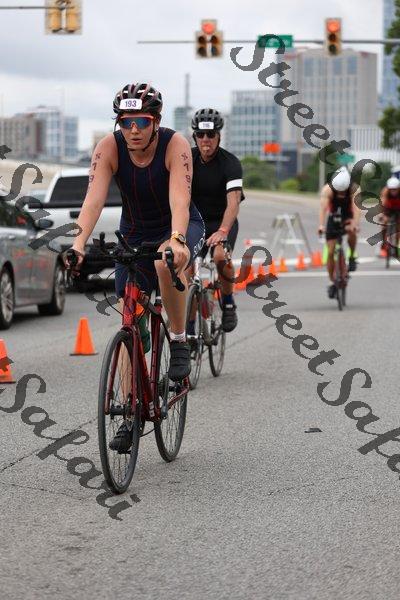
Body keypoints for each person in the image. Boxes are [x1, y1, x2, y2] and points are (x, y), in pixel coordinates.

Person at [65, 82, 205, 382]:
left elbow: (180, 199)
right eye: (126, 122)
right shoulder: (108, 147)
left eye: (142, 121)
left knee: (165, 262)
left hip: (178, 225)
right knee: (129, 320)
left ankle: (179, 340)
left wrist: (177, 239)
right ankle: (128, 408)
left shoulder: (175, 144)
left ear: (156, 121)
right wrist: (78, 243)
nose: (133, 130)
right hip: (134, 233)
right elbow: (93, 201)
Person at [189, 108, 244, 333]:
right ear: (194, 136)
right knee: (187, 271)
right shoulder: (186, 159)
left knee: (220, 256)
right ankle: (189, 329)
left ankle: (228, 303)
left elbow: (234, 202)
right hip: (195, 223)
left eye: (210, 135)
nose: (206, 139)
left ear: (219, 136)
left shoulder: (230, 163)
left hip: (222, 221)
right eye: (200, 135)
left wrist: (222, 231)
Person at [318, 167, 360, 299]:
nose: (341, 194)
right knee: (330, 252)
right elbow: (323, 209)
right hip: (333, 217)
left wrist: (354, 224)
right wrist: (321, 226)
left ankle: (352, 255)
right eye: (338, 191)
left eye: (343, 191)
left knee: (352, 232)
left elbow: (357, 209)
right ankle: (332, 281)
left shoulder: (354, 189)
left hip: (348, 215)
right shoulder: (327, 189)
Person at [380, 176, 400, 259]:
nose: (393, 191)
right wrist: (382, 215)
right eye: (391, 189)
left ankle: (396, 247)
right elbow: (382, 203)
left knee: (398, 229)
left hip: (398, 210)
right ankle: (384, 243)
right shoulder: (385, 191)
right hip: (388, 209)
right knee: (384, 223)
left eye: (395, 189)